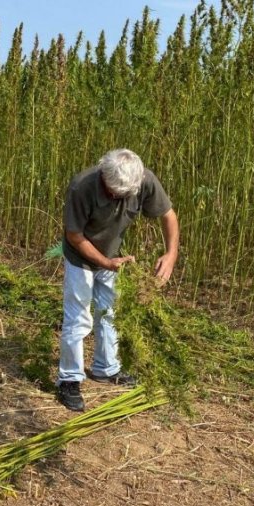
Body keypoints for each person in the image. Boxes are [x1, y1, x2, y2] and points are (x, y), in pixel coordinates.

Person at [56, 148, 180, 411]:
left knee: (110, 312)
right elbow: (74, 236)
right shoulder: (82, 187)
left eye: (123, 196)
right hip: (80, 257)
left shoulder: (144, 180)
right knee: (79, 319)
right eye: (113, 193)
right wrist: (105, 263)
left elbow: (168, 215)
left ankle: (106, 368)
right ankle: (69, 379)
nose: (117, 198)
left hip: (113, 255)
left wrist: (171, 254)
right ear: (104, 175)